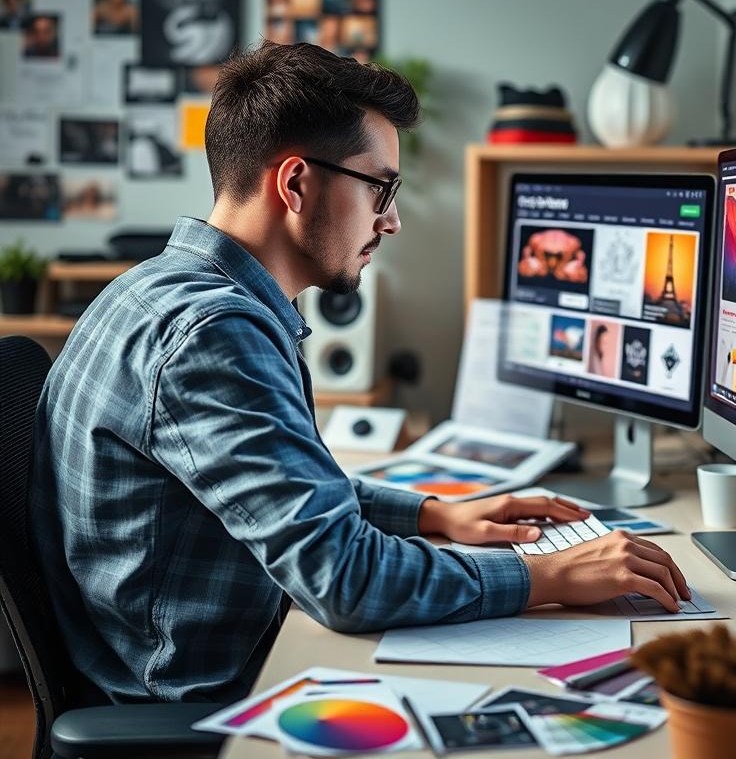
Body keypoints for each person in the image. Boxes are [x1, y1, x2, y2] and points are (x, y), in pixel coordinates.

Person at [31, 41, 690, 705]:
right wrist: (545, 574)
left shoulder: (157, 288)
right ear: (295, 184)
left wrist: (434, 515)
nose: (392, 220)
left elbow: (281, 485)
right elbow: (342, 579)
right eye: (381, 186)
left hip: (164, 654)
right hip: (201, 694)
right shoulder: (213, 335)